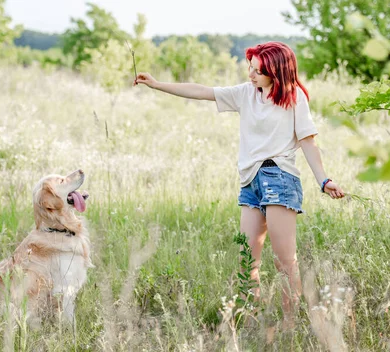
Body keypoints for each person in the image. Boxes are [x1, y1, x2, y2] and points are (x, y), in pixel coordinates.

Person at [133, 41, 345, 326]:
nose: (250, 74)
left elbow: (308, 141)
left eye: (257, 70)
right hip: (250, 181)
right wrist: (157, 84)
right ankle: (251, 322)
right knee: (247, 262)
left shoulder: (294, 97)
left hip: (279, 178)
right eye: (250, 67)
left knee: (285, 262)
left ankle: (290, 325)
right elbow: (203, 91)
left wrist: (324, 180)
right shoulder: (246, 94)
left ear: (276, 71)